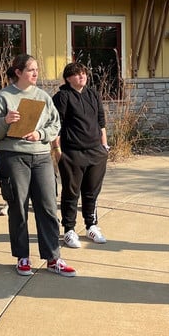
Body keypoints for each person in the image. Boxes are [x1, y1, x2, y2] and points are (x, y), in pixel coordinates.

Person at [0, 53, 76, 277]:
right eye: (30, 70)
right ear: (18, 72)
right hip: (14, 157)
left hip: (42, 157)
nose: (35, 73)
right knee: (18, 208)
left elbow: (55, 124)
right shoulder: (4, 97)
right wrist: (5, 122)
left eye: (36, 69)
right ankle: (22, 256)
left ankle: (53, 257)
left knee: (47, 206)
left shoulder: (43, 96)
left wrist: (40, 133)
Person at [52, 62, 110, 247]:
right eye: (77, 74)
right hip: (72, 153)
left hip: (96, 151)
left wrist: (104, 146)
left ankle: (91, 226)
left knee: (91, 192)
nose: (82, 77)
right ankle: (69, 230)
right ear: (68, 78)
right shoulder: (62, 97)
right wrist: (57, 152)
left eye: (84, 73)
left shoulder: (92, 94)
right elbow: (56, 126)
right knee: (71, 193)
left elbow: (101, 121)